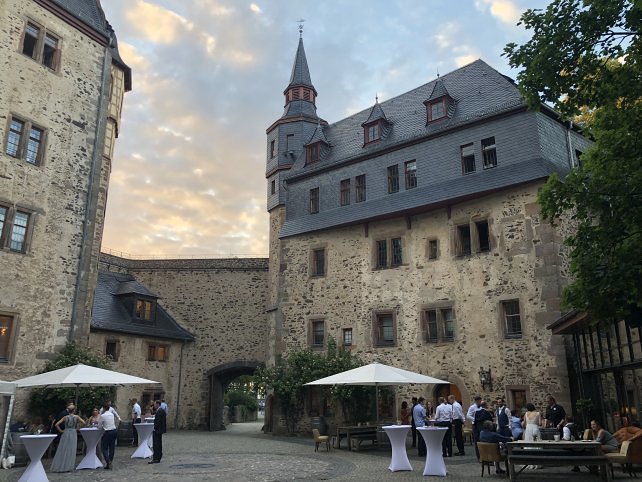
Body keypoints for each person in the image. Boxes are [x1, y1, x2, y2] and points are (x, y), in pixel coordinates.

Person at [51, 404, 85, 472]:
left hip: (66, 433)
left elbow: (56, 424)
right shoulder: (77, 417)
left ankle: (62, 464)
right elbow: (83, 422)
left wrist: (61, 431)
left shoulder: (65, 417)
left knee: (64, 448)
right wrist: (78, 427)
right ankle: (69, 465)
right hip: (73, 432)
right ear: (74, 410)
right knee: (71, 449)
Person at [100, 401, 118, 470]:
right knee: (112, 447)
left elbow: (99, 426)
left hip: (107, 432)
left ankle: (108, 461)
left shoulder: (103, 416)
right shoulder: (111, 414)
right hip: (114, 431)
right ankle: (109, 462)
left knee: (104, 448)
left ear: (104, 408)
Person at [149, 399, 167, 464]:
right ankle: (158, 457)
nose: (154, 405)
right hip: (160, 430)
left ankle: (156, 458)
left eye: (155, 404)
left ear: (157, 404)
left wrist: (154, 428)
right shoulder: (161, 410)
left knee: (156, 444)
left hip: (157, 430)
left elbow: (158, 421)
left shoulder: (159, 411)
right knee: (159, 444)